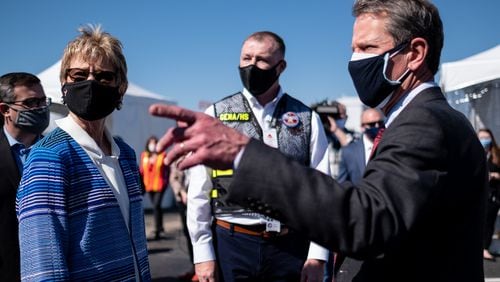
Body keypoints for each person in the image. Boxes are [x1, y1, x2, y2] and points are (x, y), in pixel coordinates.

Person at [150, 0, 488, 281]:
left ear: (415, 53)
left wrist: (243, 153)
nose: (355, 61)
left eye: (368, 48)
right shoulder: (420, 120)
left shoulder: (424, 123)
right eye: (353, 49)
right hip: (234, 243)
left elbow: (366, 218)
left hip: (288, 250)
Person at [187, 31, 330, 282]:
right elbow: (199, 189)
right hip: (232, 243)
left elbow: (322, 191)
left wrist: (317, 256)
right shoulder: (217, 114)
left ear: (280, 66)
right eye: (246, 58)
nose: (252, 66)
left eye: (261, 60)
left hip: (290, 246)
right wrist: (202, 255)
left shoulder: (308, 119)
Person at [16, 25, 151, 281]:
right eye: (78, 76)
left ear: (120, 87)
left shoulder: (126, 155)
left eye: (103, 77)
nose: (90, 83)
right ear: (64, 84)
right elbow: (43, 264)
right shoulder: (50, 156)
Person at [0, 72, 50, 281]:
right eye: (30, 102)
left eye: (42, 101)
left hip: (52, 268)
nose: (40, 108)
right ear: (5, 110)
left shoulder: (57, 149)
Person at [337, 108, 385, 185]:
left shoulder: (389, 145)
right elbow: (343, 183)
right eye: (372, 124)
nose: (377, 126)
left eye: (380, 123)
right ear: (362, 127)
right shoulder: (349, 151)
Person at [170, 152, 198, 282]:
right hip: (184, 200)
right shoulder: (178, 157)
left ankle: (204, 266)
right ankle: (195, 267)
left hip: (200, 199)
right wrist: (181, 192)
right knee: (189, 233)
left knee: (202, 232)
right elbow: (173, 178)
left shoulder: (200, 151)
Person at [311, 100, 356, 179]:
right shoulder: (320, 134)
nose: (340, 118)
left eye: (341, 115)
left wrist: (335, 129)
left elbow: (352, 149)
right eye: (336, 115)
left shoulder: (352, 135)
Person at [140, 135, 169, 240]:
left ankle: (157, 228)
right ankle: (160, 227)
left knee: (156, 205)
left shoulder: (162, 155)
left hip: (160, 185)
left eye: (154, 143)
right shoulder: (144, 156)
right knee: (156, 207)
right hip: (149, 186)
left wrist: (166, 182)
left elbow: (167, 170)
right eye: (150, 143)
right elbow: (142, 171)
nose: (152, 145)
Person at [478, 128, 500, 261]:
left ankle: (485, 248)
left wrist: (496, 175)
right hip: (479, 194)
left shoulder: (497, 154)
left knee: (489, 222)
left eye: (486, 137)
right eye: (481, 137)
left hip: (493, 195)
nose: (484, 140)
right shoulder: (474, 152)